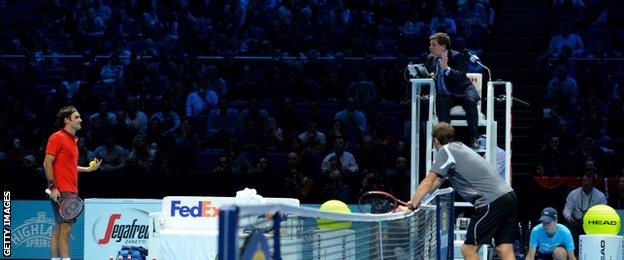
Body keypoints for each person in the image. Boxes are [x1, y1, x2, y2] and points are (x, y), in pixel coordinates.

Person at [405, 122, 517, 260]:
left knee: (468, 249)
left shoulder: (445, 151)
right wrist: (417, 200)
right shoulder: (460, 147)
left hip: (491, 201)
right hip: (509, 197)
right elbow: (437, 181)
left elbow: (428, 181)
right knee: (504, 248)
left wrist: (411, 205)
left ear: (435, 140)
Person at [44, 106, 101, 260]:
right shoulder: (57, 137)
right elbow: (47, 162)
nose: (80, 119)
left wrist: (89, 170)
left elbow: (69, 166)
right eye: (76, 117)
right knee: (66, 229)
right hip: (62, 190)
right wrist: (53, 187)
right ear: (66, 120)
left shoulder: (73, 141)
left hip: (69, 189)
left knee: (60, 228)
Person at [425, 32, 480, 146]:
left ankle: (474, 137)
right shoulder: (431, 58)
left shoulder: (456, 56)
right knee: (442, 101)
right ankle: (444, 140)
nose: (430, 47)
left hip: (463, 91)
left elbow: (461, 76)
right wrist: (431, 75)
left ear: (443, 46)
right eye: (430, 45)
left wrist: (446, 69)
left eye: (433, 45)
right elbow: (431, 72)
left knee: (470, 101)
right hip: (447, 95)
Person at [562, 172, 607, 247]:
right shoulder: (573, 194)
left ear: (593, 184)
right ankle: (574, 252)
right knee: (566, 227)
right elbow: (567, 209)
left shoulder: (600, 196)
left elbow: (603, 213)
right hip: (576, 222)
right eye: (584, 181)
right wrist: (568, 216)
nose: (586, 183)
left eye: (588, 181)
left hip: (593, 223)